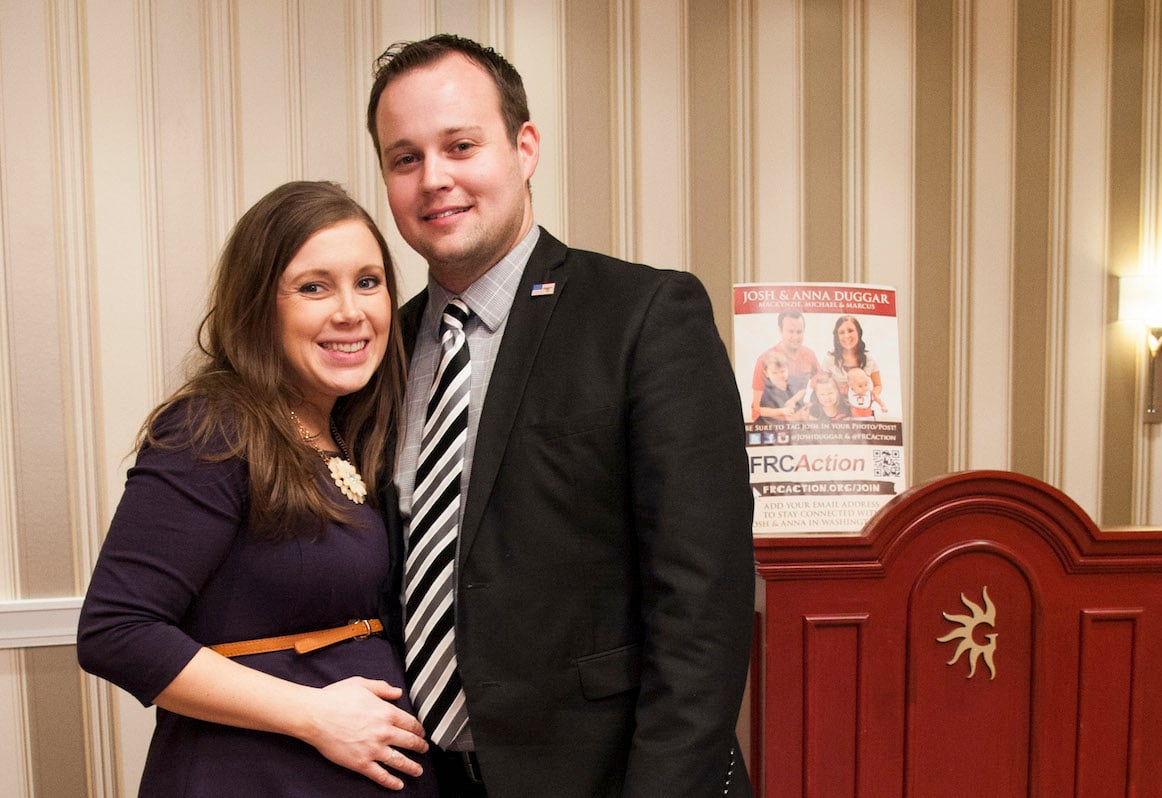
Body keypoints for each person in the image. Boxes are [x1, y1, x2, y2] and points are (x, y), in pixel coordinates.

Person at [367, 34, 755, 797]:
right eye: (404, 158)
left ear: (524, 147)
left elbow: (702, 603)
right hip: (428, 777)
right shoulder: (383, 347)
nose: (434, 179)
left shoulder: (644, 315)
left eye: (460, 145)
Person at [76, 181, 437, 796]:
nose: (351, 311)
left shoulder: (351, 433)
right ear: (259, 306)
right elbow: (116, 630)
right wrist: (315, 714)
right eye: (314, 286)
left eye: (369, 282)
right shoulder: (214, 427)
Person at [749, 309, 819, 420]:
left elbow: (820, 386)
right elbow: (756, 410)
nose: (795, 337)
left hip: (800, 423)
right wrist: (792, 417)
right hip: (774, 423)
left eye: (799, 332)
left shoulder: (810, 355)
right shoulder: (764, 360)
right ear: (780, 331)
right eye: (790, 332)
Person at [823, 315, 883, 403]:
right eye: (842, 332)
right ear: (837, 336)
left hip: (861, 408)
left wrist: (872, 396)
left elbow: (878, 385)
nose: (846, 336)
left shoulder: (869, 360)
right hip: (838, 409)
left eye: (850, 331)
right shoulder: (829, 360)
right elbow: (822, 385)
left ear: (858, 332)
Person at [757, 350, 809, 421]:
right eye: (775, 373)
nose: (780, 375)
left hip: (794, 422)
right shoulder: (764, 389)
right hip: (772, 423)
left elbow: (803, 390)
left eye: (783, 371)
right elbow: (759, 410)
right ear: (766, 373)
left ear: (788, 369)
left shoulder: (793, 380)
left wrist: (793, 400)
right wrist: (781, 411)